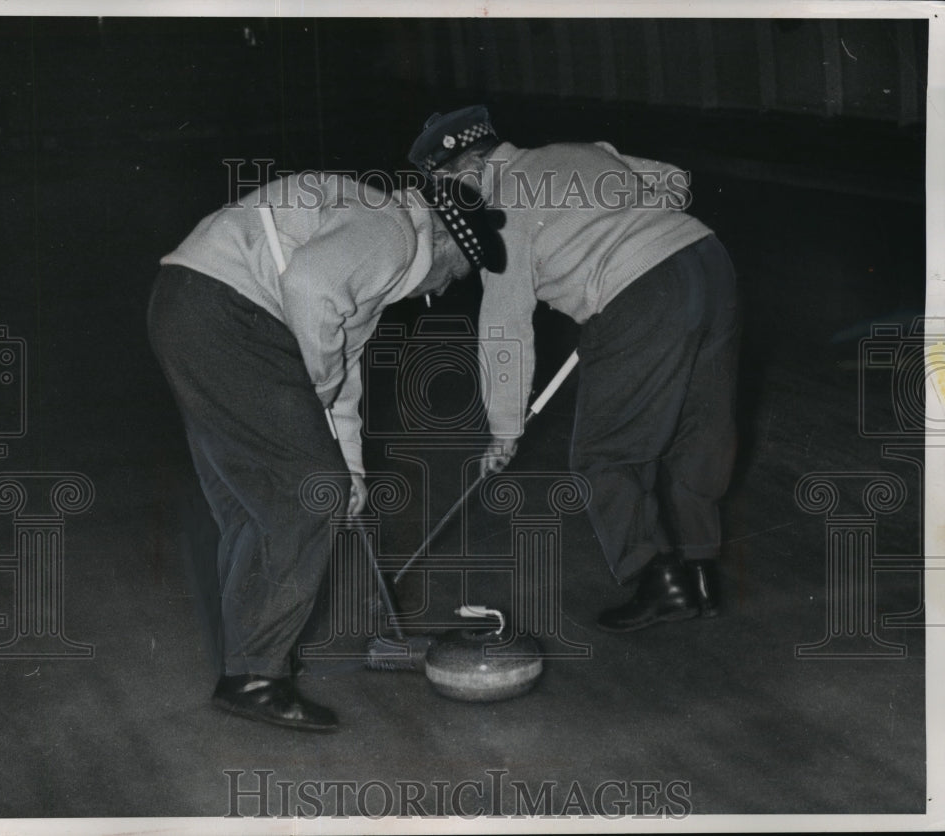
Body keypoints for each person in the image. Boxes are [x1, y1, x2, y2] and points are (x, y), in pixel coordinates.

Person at [147, 170, 504, 731]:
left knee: (261, 504)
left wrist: (351, 468)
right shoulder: (392, 233)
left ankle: (249, 662)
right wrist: (311, 409)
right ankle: (255, 678)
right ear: (443, 237)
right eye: (452, 274)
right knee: (308, 494)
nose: (438, 292)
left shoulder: (371, 244)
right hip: (232, 313)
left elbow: (341, 375)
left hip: (190, 306)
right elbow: (310, 293)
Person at [407, 106, 740, 632]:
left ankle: (660, 581)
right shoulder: (581, 150)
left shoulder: (501, 213)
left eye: (447, 183)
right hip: (707, 260)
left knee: (605, 453)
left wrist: (505, 427)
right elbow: (673, 180)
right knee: (699, 429)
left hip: (640, 295)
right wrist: (636, 233)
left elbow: (504, 328)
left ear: (463, 170)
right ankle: (701, 574)